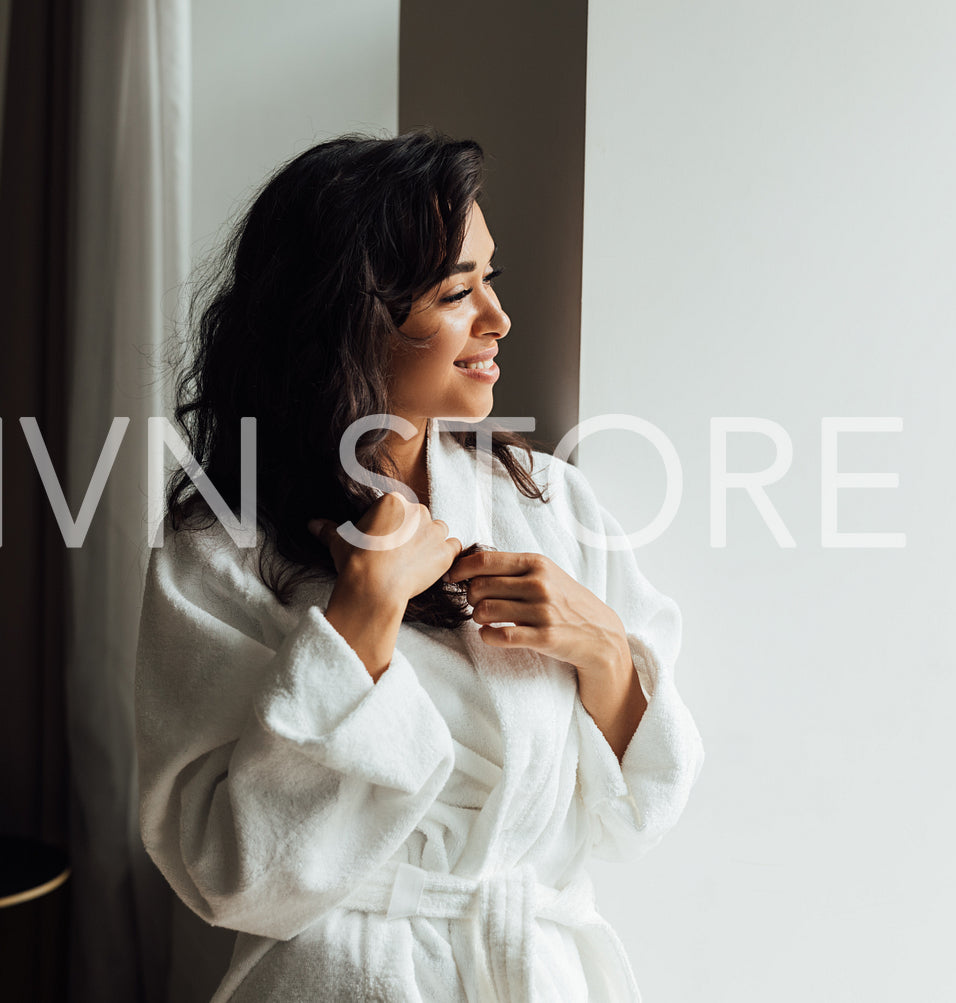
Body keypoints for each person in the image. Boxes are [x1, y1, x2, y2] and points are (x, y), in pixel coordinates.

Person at [134, 131, 705, 1003]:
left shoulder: (550, 504)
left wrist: (607, 653)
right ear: (347, 319)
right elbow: (227, 872)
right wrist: (358, 622)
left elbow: (640, 815)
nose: (497, 320)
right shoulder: (219, 554)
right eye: (455, 292)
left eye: (491, 278)